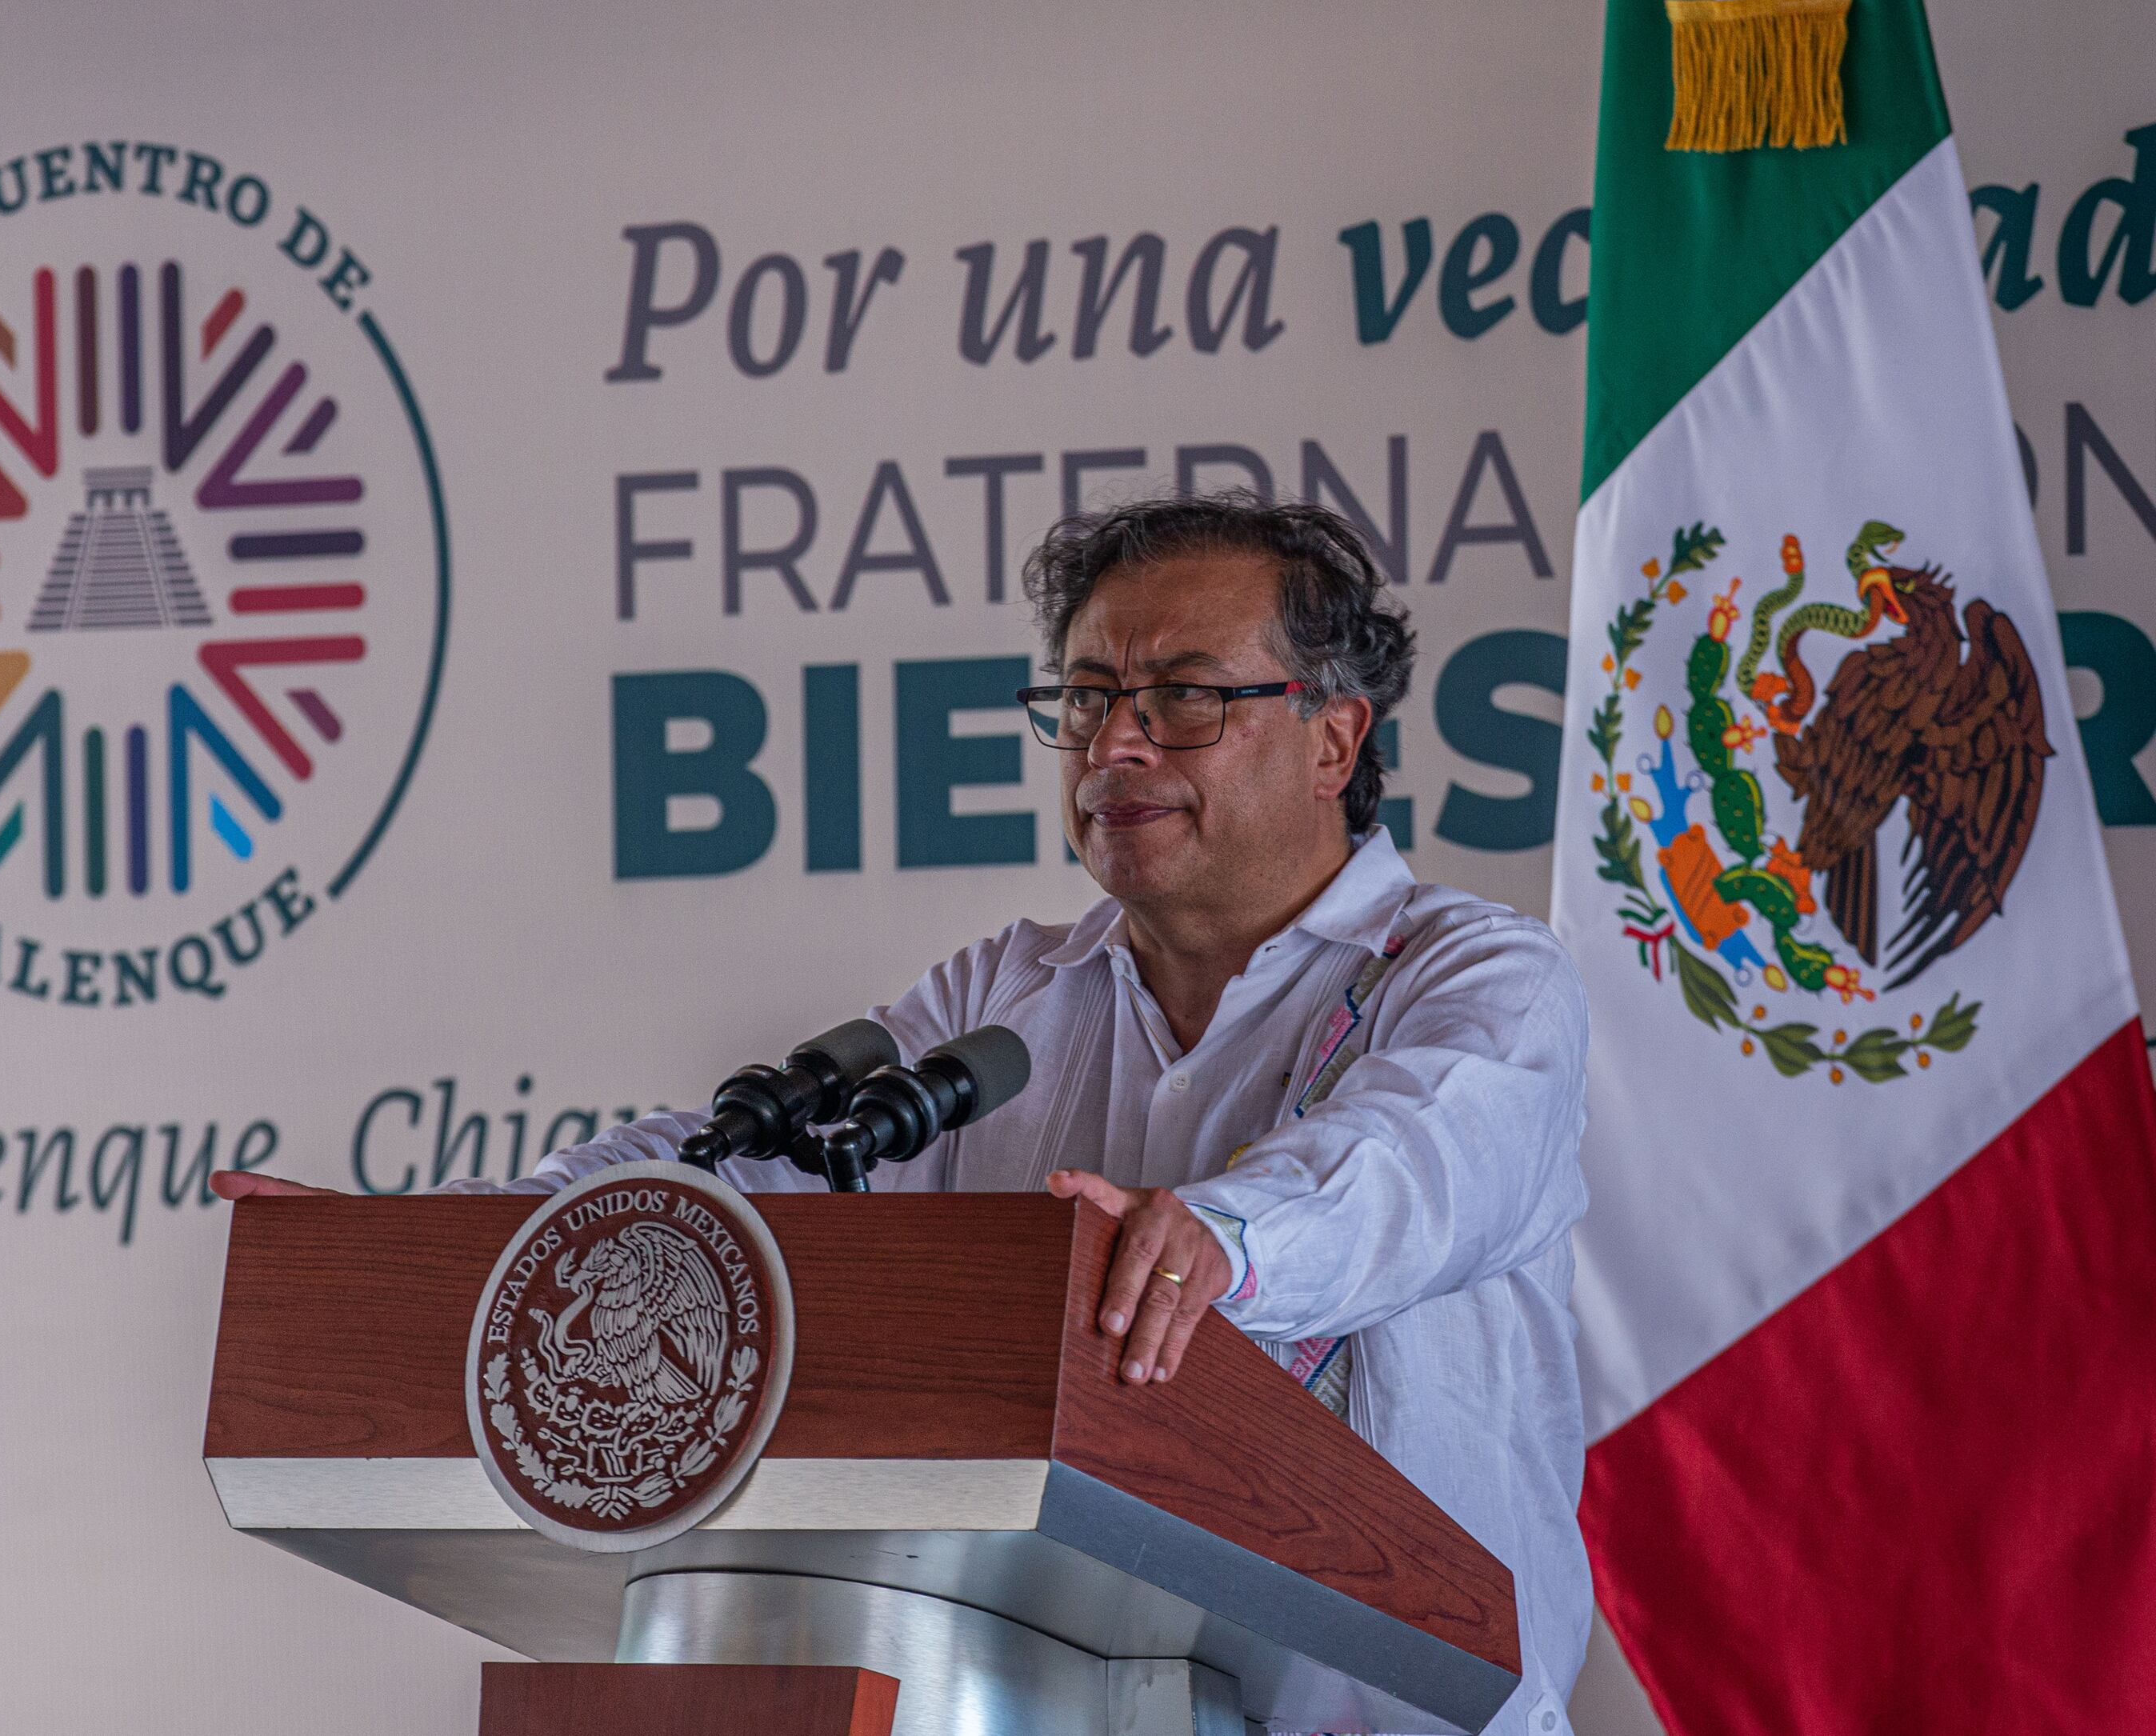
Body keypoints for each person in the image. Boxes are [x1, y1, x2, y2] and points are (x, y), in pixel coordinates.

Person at [215, 495, 1592, 1735]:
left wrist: (1221, 1240)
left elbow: (1419, 1160)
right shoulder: (1012, 992)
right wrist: (455, 1252)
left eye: (1182, 698)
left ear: (1333, 740)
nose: (1115, 743)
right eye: (1088, 695)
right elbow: (743, 1172)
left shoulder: (1472, 975)